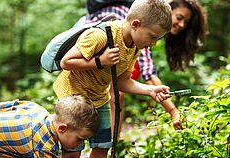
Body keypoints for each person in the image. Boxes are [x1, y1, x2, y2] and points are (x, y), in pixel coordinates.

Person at [53, 0, 173, 158]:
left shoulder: (135, 47)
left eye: (158, 38)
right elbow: (66, 62)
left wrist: (150, 91)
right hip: (74, 96)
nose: (153, 43)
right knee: (72, 152)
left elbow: (123, 82)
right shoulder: (101, 35)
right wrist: (100, 61)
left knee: (102, 147)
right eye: (152, 36)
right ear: (136, 24)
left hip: (100, 98)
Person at [82, 0, 208, 134]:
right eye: (179, 17)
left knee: (118, 92)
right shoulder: (139, 25)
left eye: (186, 22)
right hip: (88, 57)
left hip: (107, 65)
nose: (182, 25)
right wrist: (172, 110)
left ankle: (111, 146)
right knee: (115, 94)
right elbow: (150, 74)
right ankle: (110, 145)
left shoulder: (146, 31)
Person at [0, 94, 99, 158]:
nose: (81, 144)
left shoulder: (37, 109)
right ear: (62, 129)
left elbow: (8, 105)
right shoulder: (44, 147)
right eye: (80, 139)